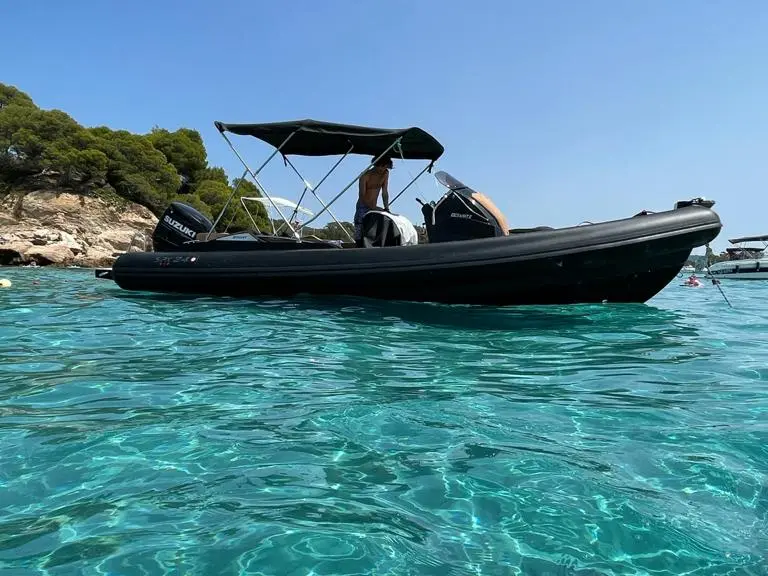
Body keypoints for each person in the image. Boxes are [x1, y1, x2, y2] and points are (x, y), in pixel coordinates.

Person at [354, 156, 392, 246]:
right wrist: (373, 207)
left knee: (377, 227)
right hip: (363, 205)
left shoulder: (385, 173)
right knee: (360, 229)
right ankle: (358, 245)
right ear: (377, 164)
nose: (383, 170)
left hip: (374, 206)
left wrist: (386, 208)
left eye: (386, 167)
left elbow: (385, 192)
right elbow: (362, 195)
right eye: (382, 167)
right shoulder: (365, 175)